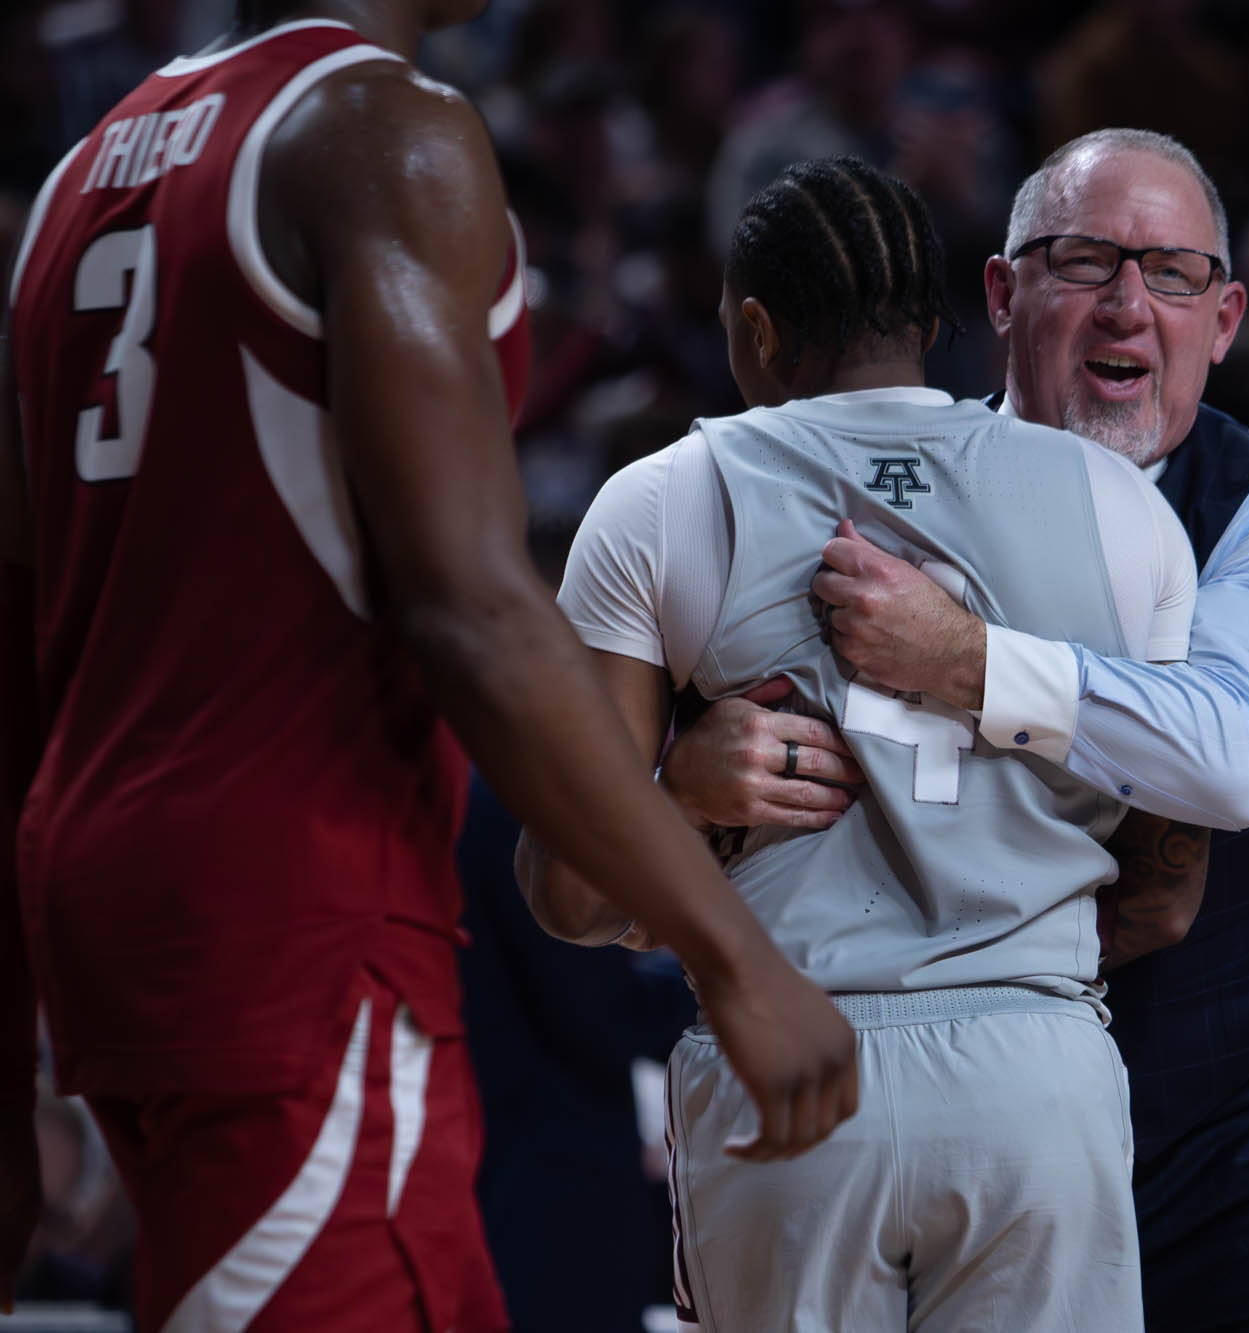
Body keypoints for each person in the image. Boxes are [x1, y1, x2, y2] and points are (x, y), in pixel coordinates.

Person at [0, 2, 858, 1326]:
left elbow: (22, 647)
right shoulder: (380, 132)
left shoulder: (75, 182)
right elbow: (469, 605)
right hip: (295, 903)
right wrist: (731, 951)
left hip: (108, 896)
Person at [691, 128, 1249, 1331]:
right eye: (1083, 261)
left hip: (1216, 1129)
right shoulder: (864, 474)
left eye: (1170, 274)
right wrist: (681, 772)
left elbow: (1231, 755)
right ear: (1002, 295)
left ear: (1222, 321)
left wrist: (965, 662)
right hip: (914, 1096)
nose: (1126, 304)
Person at [520, 155, 1204, 1332]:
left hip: (788, 1063)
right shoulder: (1121, 505)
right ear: (937, 324)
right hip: (1036, 1071)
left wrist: (678, 797)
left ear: (754, 329)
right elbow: (1170, 886)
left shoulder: (661, 499)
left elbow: (571, 894)